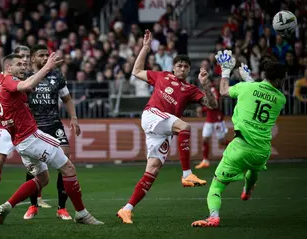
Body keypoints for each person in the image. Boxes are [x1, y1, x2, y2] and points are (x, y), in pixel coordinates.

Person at [0, 53, 103, 225]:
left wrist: (4, 121)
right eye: (19, 64)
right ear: (8, 68)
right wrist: (47, 68)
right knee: (68, 167)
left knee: (43, 178)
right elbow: (27, 84)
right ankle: (81, 213)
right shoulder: (8, 80)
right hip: (31, 137)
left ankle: (7, 206)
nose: (24, 67)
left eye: (25, 64)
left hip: (21, 143)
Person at [117, 30, 218, 224]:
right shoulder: (162, 76)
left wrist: (205, 85)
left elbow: (212, 105)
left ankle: (126, 209)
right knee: (185, 127)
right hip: (152, 115)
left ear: (189, 71)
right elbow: (136, 71)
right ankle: (187, 174)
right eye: (179, 65)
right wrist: (146, 47)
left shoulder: (191, 90)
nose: (182, 68)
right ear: (173, 68)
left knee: (153, 170)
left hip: (162, 127)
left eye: (185, 67)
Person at [191, 50, 286, 227]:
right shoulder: (281, 99)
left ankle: (213, 217)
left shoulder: (247, 88)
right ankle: (247, 190)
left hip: (239, 149)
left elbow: (224, 91)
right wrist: (249, 79)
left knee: (216, 187)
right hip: (262, 151)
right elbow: (263, 93)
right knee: (254, 169)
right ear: (279, 80)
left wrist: (226, 71)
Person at [0, 45, 51, 210]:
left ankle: (37, 199)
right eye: (21, 56)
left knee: (36, 159)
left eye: (27, 56)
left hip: (24, 123)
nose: (25, 59)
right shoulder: (4, 76)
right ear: (13, 59)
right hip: (8, 125)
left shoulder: (27, 74)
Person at [23, 44, 80, 220]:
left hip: (54, 126)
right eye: (41, 55)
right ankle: (33, 205)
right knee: (34, 167)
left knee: (65, 161)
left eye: (46, 55)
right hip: (34, 127)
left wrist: (74, 118)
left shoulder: (56, 75)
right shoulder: (25, 77)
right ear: (32, 58)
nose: (45, 58)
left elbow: (67, 99)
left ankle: (61, 208)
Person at [195, 79, 230, 169]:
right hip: (209, 119)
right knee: (204, 140)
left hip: (217, 119)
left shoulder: (213, 90)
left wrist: (202, 109)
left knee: (221, 141)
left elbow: (214, 104)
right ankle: (205, 160)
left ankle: (237, 149)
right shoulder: (204, 92)